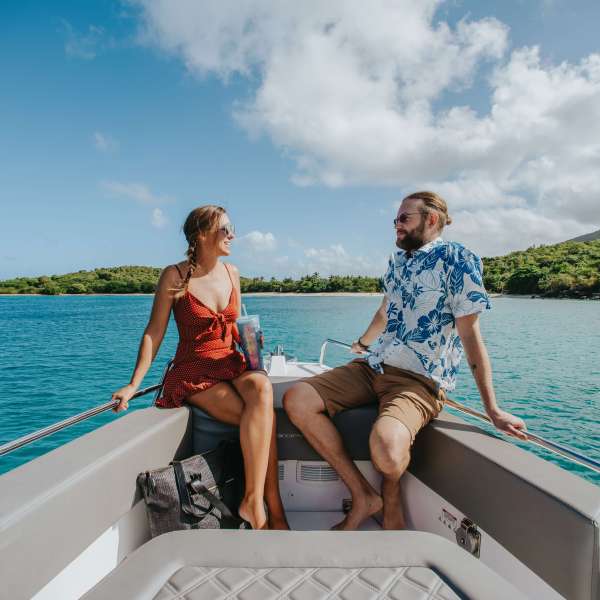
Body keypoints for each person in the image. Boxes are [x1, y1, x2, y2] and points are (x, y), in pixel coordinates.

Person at [283, 191, 527, 531]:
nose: (396, 226)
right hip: (374, 365)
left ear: (430, 219)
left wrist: (492, 409)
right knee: (297, 398)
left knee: (386, 447)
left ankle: (391, 493)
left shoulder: (458, 260)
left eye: (403, 219)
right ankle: (363, 496)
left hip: (418, 380)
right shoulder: (398, 262)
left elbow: (470, 336)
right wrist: (363, 343)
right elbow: (386, 310)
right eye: (395, 220)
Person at [111, 205, 288, 530]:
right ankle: (270, 509)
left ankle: (256, 502)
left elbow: (232, 326)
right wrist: (134, 384)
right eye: (226, 229)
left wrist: (250, 341)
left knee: (262, 390)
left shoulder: (232, 272)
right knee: (263, 419)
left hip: (230, 361)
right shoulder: (175, 275)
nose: (232, 234)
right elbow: (154, 331)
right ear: (202, 234)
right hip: (194, 368)